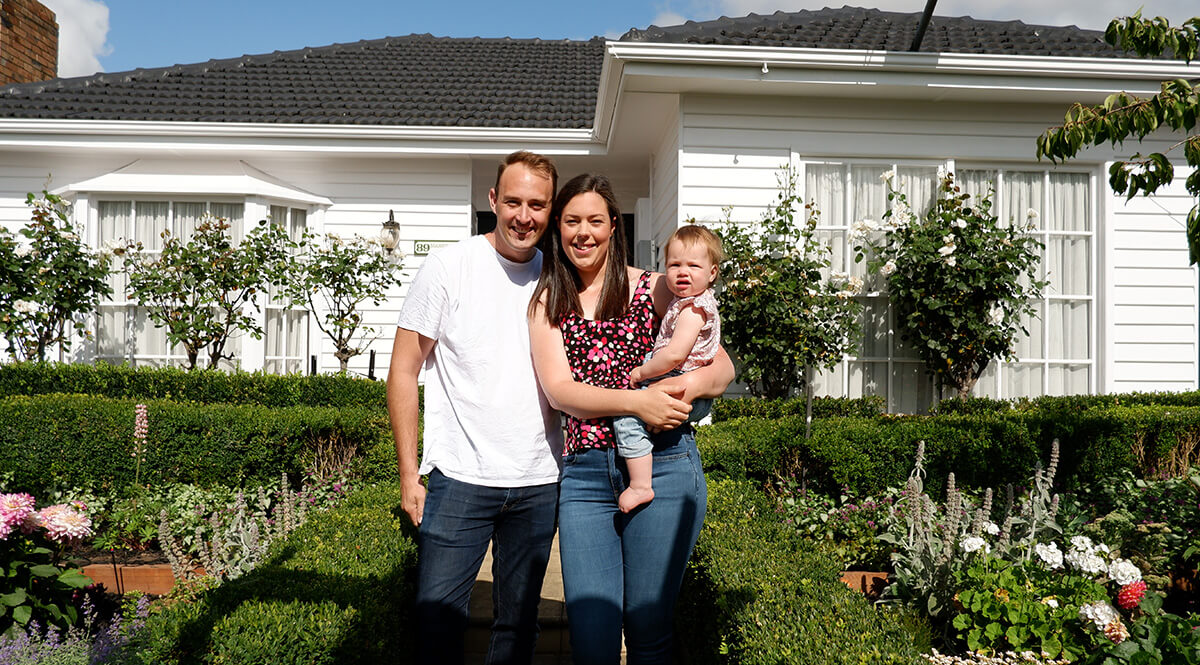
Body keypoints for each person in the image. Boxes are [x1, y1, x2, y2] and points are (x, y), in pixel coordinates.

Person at [527, 173, 735, 664]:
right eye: (572, 220)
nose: (584, 232)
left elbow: (721, 366)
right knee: (593, 637)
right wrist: (636, 402)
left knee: (648, 630)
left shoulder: (657, 285)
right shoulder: (547, 302)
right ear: (557, 227)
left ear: (613, 226)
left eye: (595, 220)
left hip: (664, 464)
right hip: (585, 477)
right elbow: (561, 393)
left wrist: (681, 387)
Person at [386, 150, 563, 665]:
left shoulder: (560, 276)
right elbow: (402, 371)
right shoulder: (448, 266)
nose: (523, 216)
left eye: (537, 204)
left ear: (550, 210)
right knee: (437, 625)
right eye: (513, 201)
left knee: (518, 628)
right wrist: (408, 472)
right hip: (459, 478)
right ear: (493, 200)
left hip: (538, 480)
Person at [612, 224, 724, 513]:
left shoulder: (692, 309)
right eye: (674, 264)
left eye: (693, 266)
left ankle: (640, 485)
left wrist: (641, 372)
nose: (682, 272)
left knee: (627, 417)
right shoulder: (684, 302)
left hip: (679, 379)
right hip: (684, 383)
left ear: (712, 273)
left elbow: (674, 355)